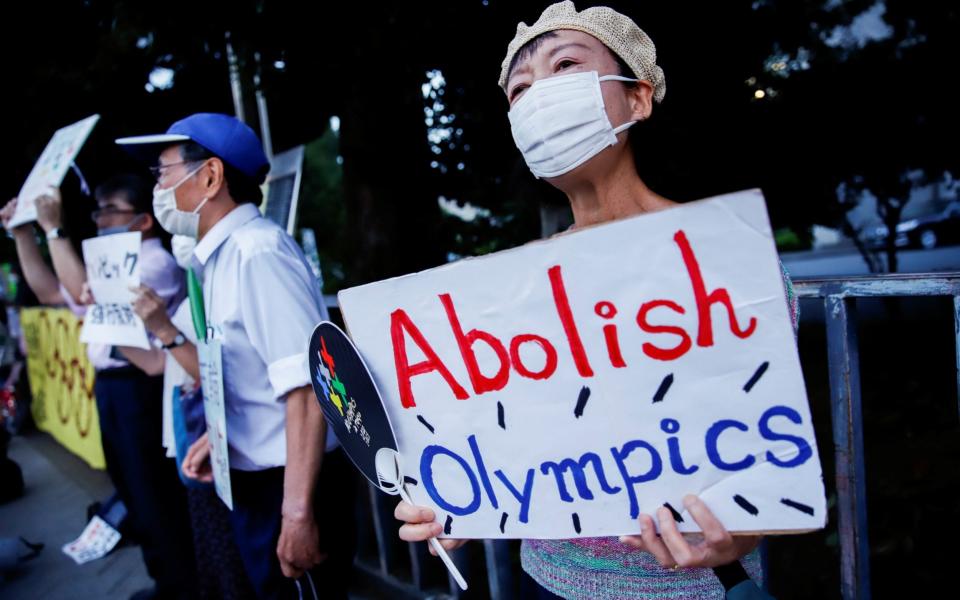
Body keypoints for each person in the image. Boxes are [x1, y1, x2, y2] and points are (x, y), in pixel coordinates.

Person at [393, 3, 793, 599]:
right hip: (545, 584)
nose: (538, 98)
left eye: (566, 65)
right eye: (520, 90)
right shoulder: (509, 290)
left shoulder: (727, 258)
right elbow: (508, 443)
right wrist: (459, 503)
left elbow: (779, 455)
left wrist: (745, 534)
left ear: (638, 96)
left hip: (693, 588)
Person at [116, 113, 355, 599]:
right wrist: (225, 441)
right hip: (262, 482)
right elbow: (247, 378)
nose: (158, 189)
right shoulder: (222, 258)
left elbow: (309, 389)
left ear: (210, 175)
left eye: (162, 172)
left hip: (289, 488)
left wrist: (297, 513)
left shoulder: (258, 253)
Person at [1, 175, 197, 600]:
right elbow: (52, 291)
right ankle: (165, 580)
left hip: (141, 387)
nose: (101, 218)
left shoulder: (154, 262)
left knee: (154, 493)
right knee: (132, 490)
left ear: (144, 220)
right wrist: (22, 233)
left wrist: (54, 229)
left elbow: (74, 290)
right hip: (112, 385)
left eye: (112, 210)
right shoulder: (113, 260)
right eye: (99, 210)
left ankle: (182, 585)